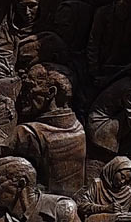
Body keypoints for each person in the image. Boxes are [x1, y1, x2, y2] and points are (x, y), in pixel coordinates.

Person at [14, 65, 87, 195]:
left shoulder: (27, 133)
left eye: (29, 88)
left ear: (51, 93)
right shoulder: (80, 129)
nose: (21, 95)